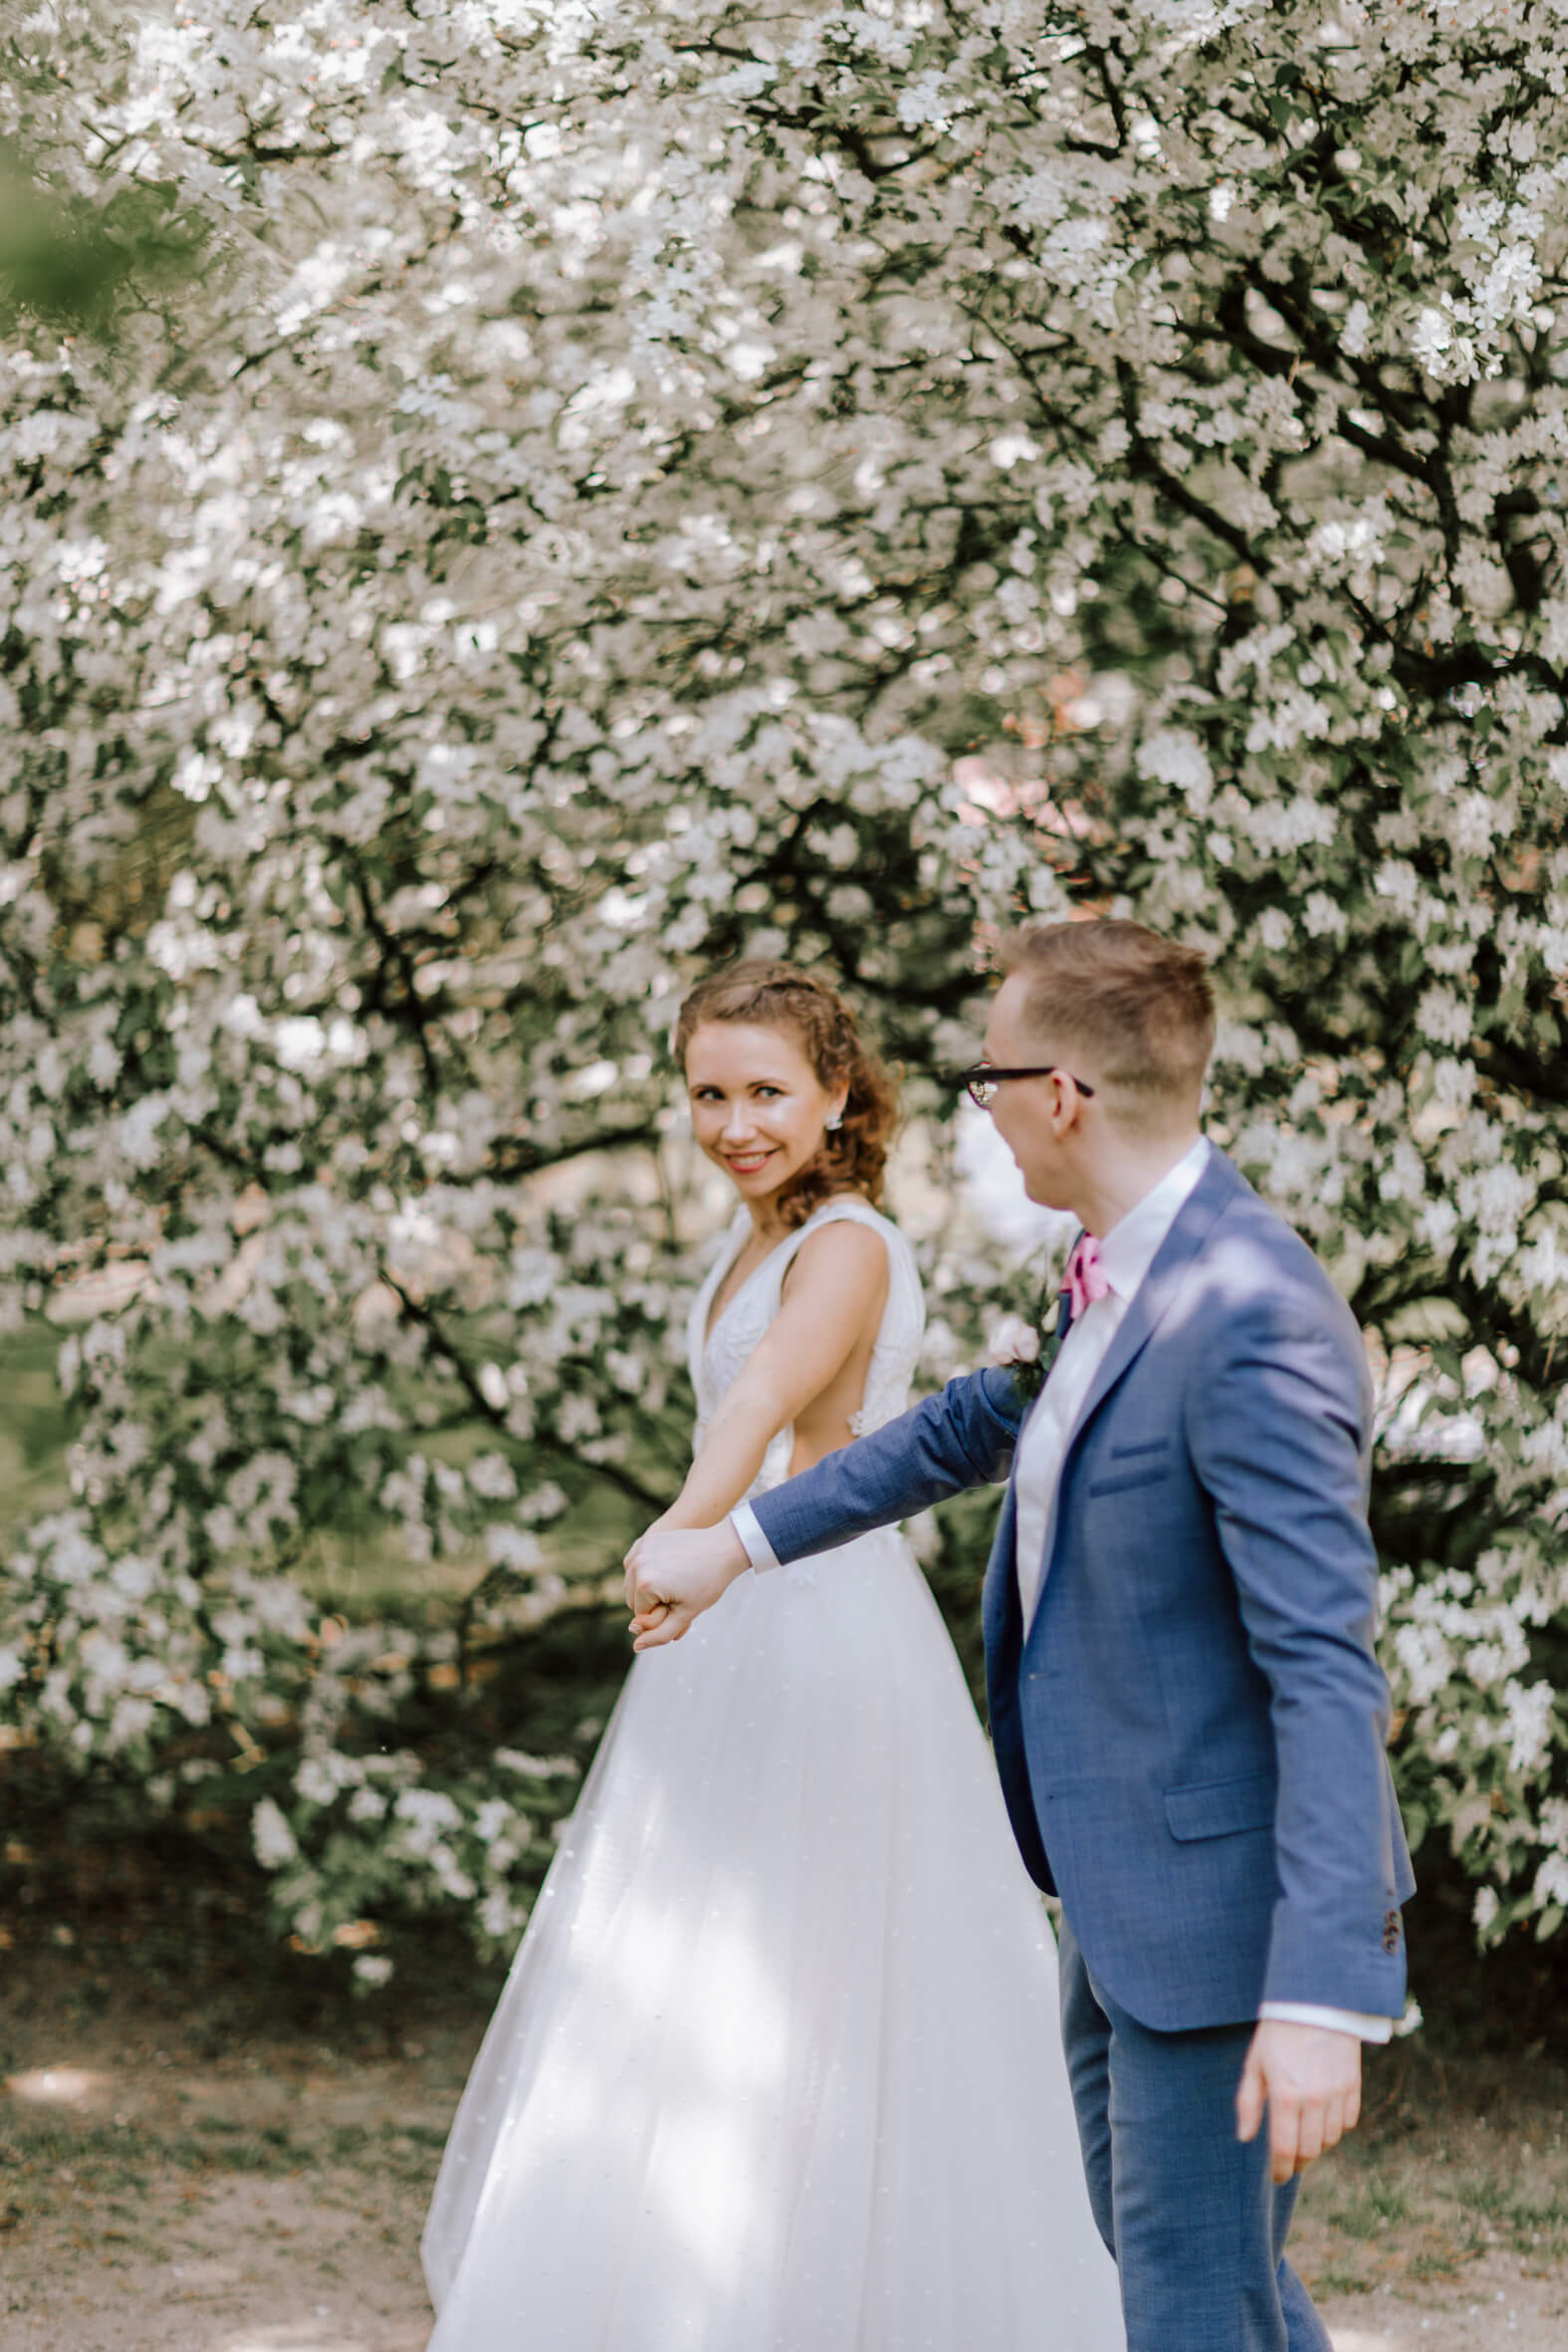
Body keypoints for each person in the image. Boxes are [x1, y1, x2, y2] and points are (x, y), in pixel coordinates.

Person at [628, 919, 1415, 2352]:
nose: (972, 1102)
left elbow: (1324, 1667)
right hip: (1114, 1885)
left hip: (1214, 1912)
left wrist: (1320, 1992)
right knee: (1179, 2261)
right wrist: (737, 1542)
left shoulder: (1251, 1311)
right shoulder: (1110, 1266)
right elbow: (969, 1425)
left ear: (1060, 1093)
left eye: (991, 1072)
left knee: (1183, 2292)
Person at [421, 959, 1124, 2352]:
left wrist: (680, 1540)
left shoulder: (847, 1242)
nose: (736, 1120)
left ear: (839, 1095)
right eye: (708, 1092)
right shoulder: (751, 1237)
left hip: (815, 1623)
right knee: (684, 1959)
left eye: (766, 1091)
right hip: (743, 1626)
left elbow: (756, 1407)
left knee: (806, 1961)